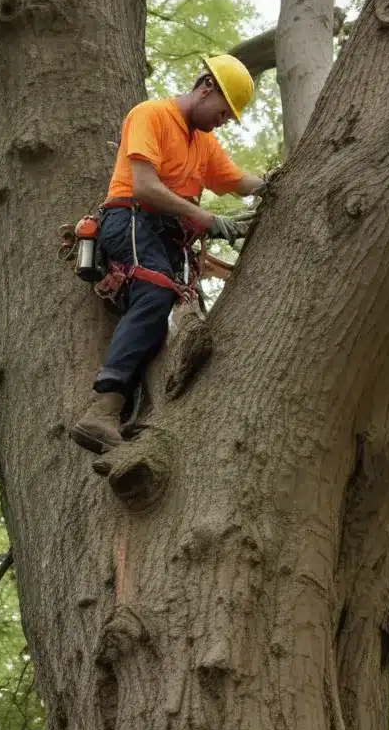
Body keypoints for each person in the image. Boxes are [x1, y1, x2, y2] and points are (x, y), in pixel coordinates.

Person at [72, 54, 265, 450]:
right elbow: (143, 186)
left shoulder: (203, 143)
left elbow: (238, 180)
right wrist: (207, 218)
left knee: (167, 317)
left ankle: (141, 413)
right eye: (224, 112)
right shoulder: (152, 115)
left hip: (164, 237)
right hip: (131, 217)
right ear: (206, 88)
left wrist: (275, 184)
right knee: (154, 292)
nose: (223, 121)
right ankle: (102, 411)